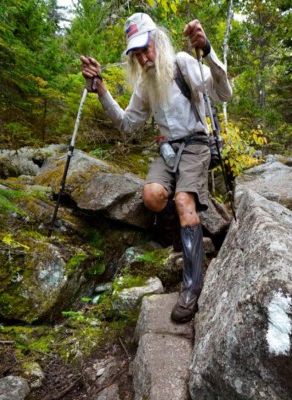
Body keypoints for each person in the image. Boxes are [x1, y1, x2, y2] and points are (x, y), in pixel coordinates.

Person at [80, 13, 232, 323]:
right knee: (152, 195)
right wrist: (101, 90)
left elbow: (223, 93)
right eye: (136, 54)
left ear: (157, 41)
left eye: (146, 48)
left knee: (182, 200)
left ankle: (192, 287)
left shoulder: (181, 63)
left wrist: (208, 49)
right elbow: (127, 124)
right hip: (168, 151)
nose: (144, 58)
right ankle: (180, 239)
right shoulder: (146, 84)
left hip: (196, 144)